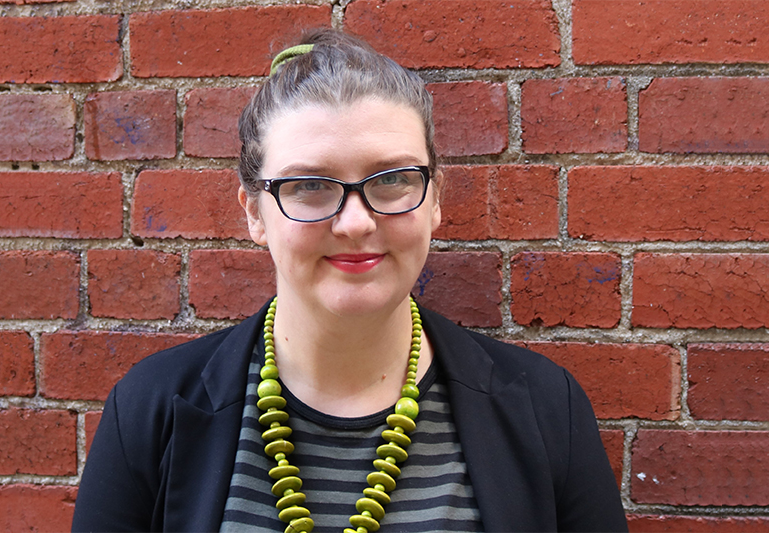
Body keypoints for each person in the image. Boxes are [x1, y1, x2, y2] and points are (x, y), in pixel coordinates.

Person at [72, 29, 627, 533]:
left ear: (435, 199)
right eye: (309, 186)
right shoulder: (150, 411)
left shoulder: (547, 409)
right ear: (253, 213)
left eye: (392, 180)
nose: (357, 222)